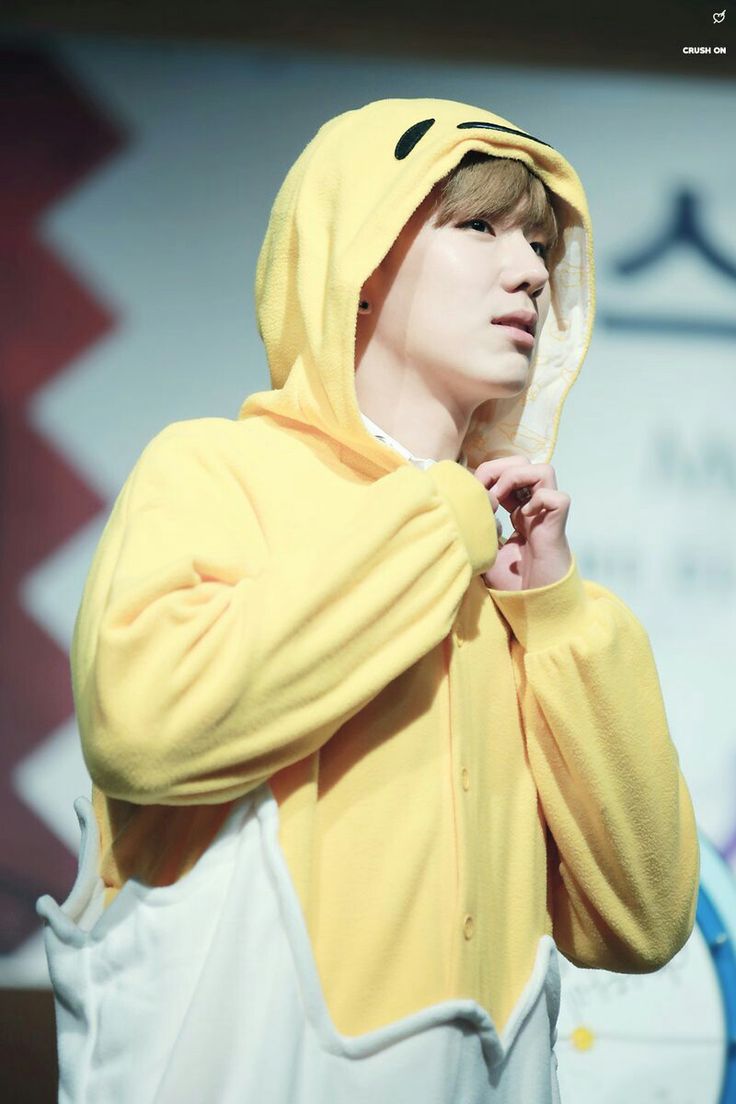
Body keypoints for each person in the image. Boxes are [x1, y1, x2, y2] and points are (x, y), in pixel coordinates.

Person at [36, 97, 700, 1103]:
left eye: (537, 244)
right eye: (479, 227)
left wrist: (559, 616)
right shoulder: (215, 470)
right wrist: (443, 520)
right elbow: (142, 724)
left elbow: (643, 922)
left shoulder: (519, 582)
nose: (528, 271)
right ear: (358, 261)